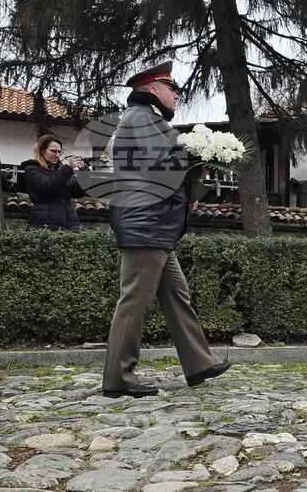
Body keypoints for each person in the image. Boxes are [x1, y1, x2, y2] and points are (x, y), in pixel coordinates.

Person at [102, 60, 230, 398]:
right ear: (153, 89)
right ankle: (118, 378)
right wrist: (204, 157)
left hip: (153, 224)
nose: (177, 94)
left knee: (176, 294)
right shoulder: (143, 118)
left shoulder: (147, 119)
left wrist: (198, 167)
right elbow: (165, 165)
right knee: (134, 302)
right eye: (172, 88)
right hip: (146, 223)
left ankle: (199, 363)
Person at [21, 135, 86, 232]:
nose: (57, 154)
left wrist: (84, 173)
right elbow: (48, 186)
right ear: (42, 150)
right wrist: (68, 168)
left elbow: (78, 193)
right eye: (53, 151)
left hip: (69, 225)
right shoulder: (32, 169)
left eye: (59, 152)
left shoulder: (61, 170)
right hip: (44, 225)